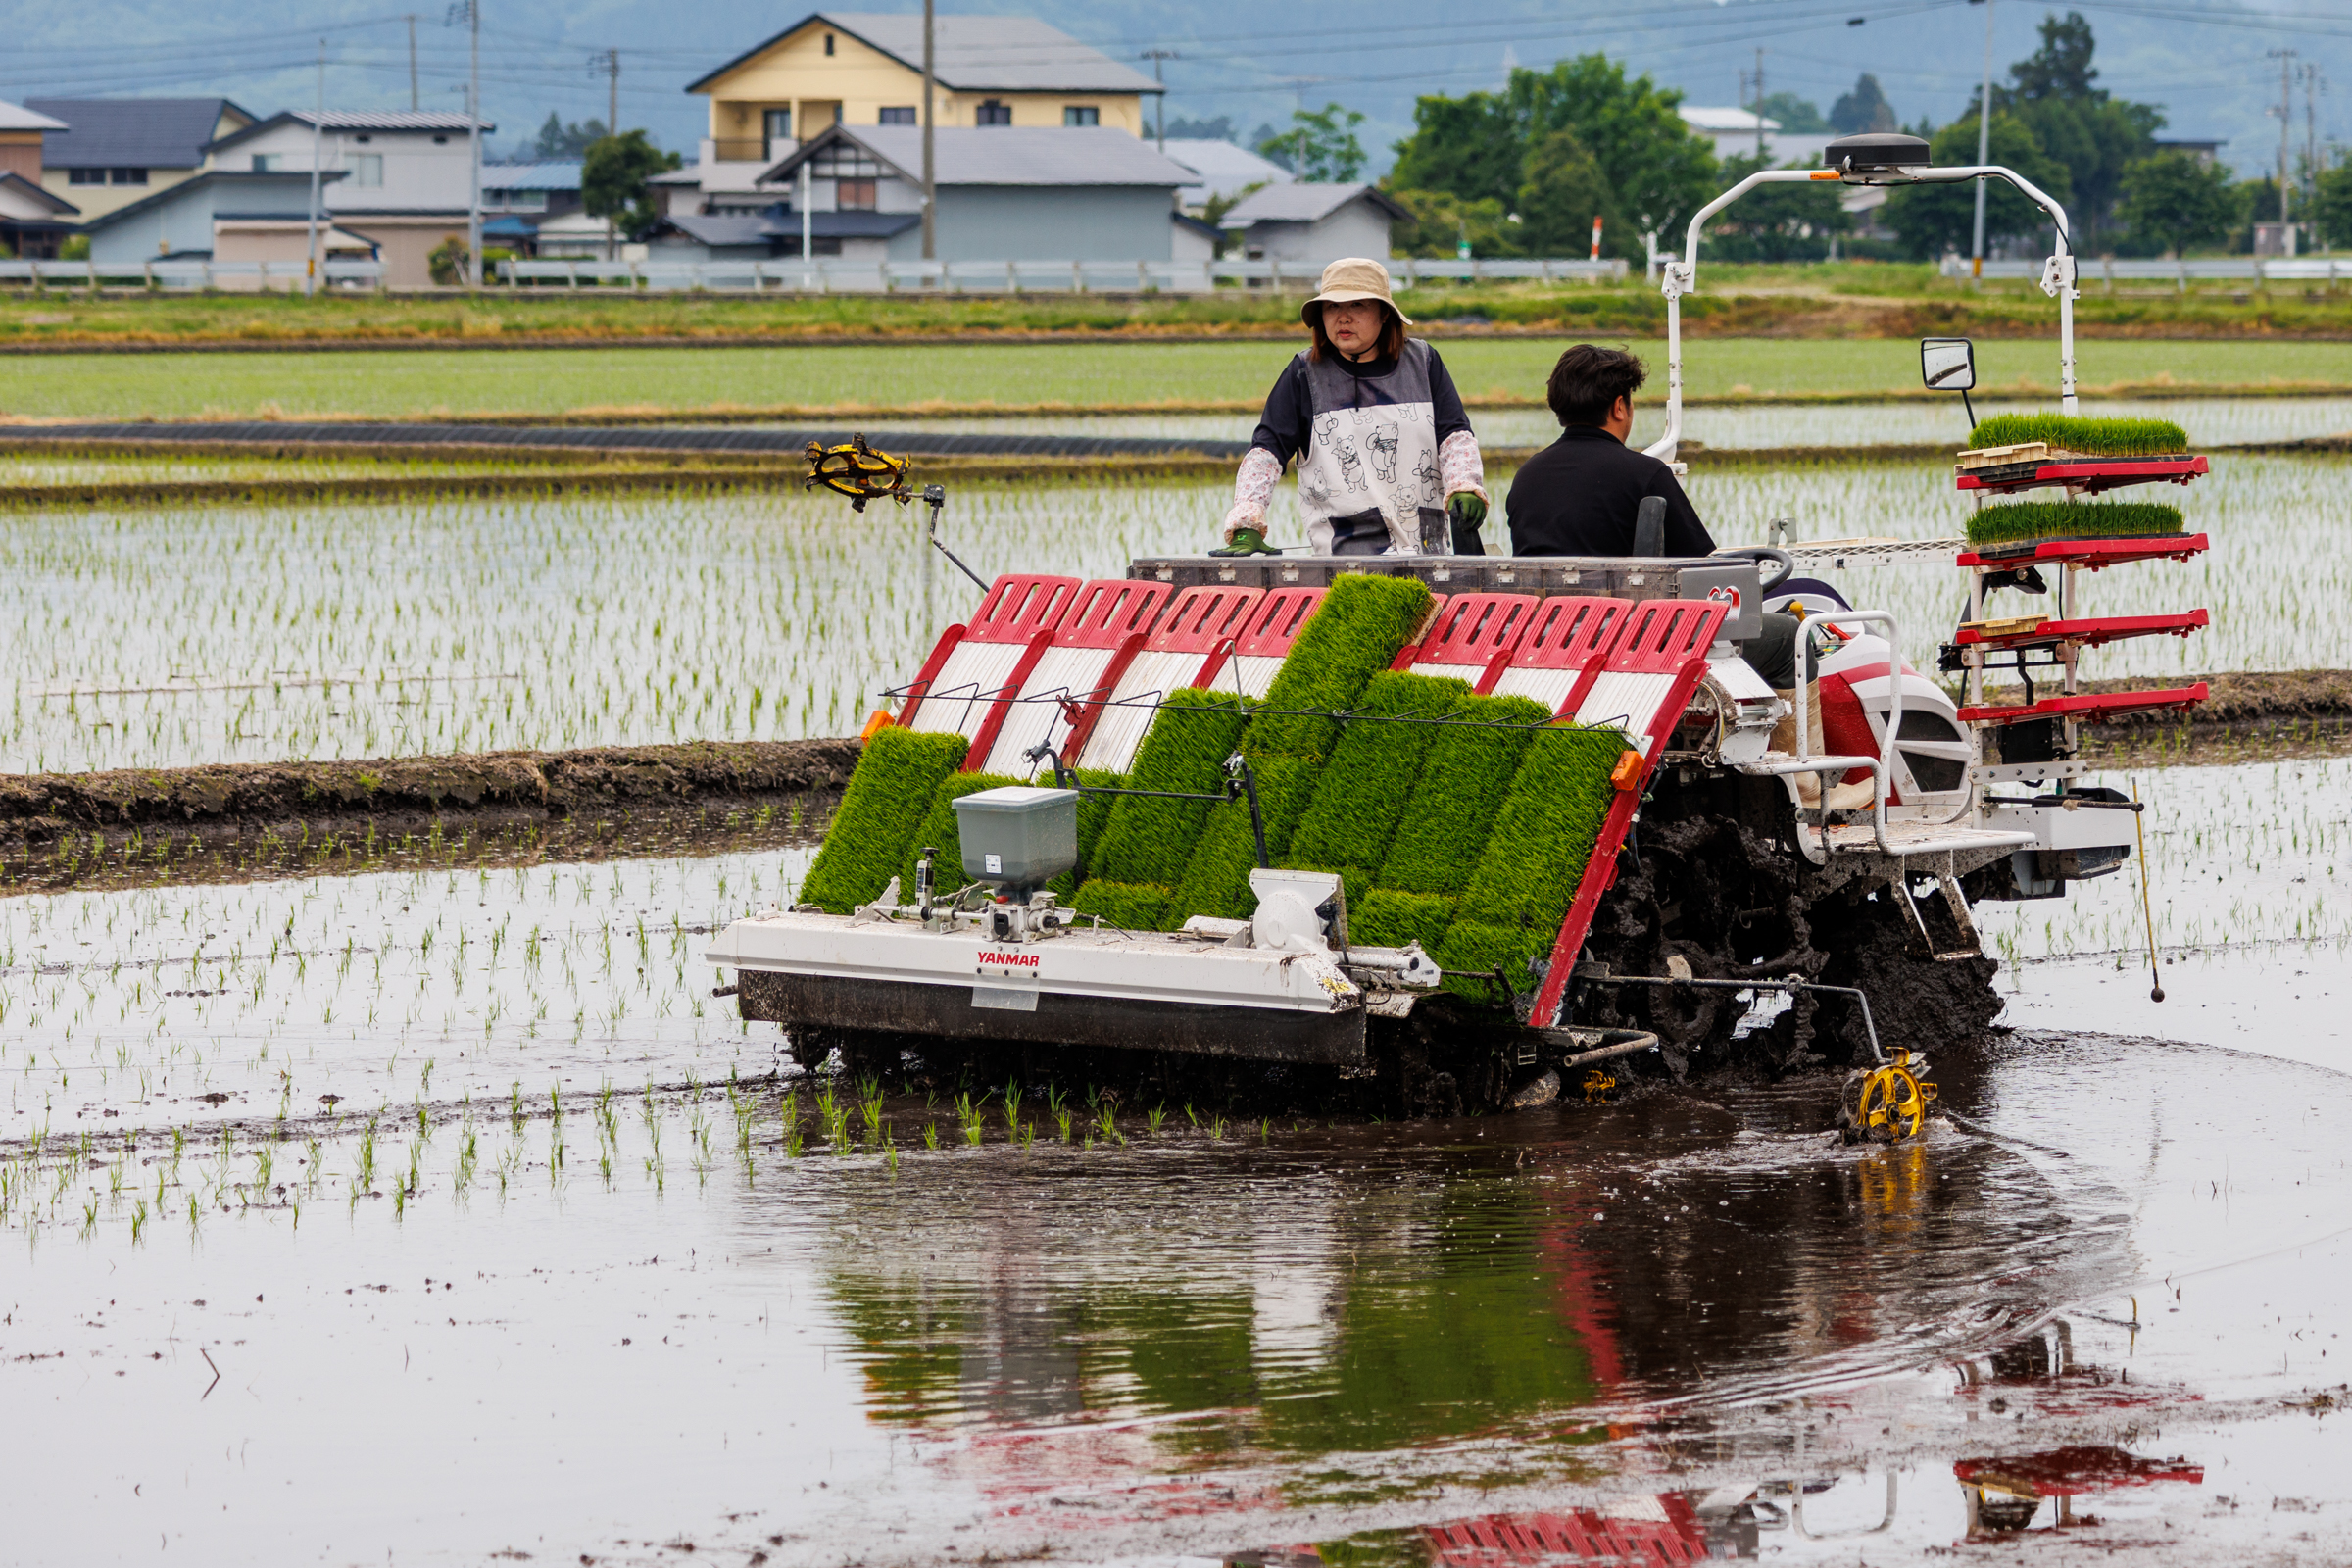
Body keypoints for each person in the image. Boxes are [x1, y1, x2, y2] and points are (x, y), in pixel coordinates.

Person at [1508, 344, 1800, 686]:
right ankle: (1791, 739)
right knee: (1789, 637)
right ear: (1620, 407)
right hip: (1632, 643)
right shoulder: (1645, 474)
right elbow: (1706, 571)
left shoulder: (1527, 476)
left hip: (1548, 638)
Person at [1215, 258, 1490, 558]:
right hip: (1344, 561)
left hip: (1428, 553)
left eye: (1357, 305)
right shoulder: (1304, 374)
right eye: (1332, 306)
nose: (1342, 317)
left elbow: (1454, 434)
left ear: (1384, 313)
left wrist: (1464, 484)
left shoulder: (1423, 363)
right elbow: (1266, 452)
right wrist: (1247, 523)